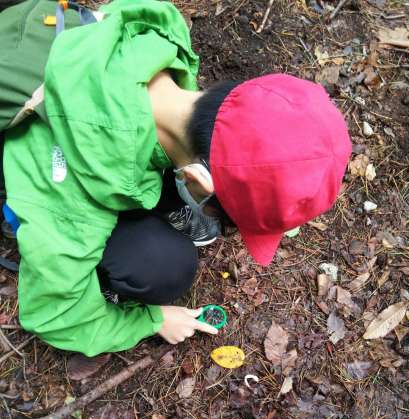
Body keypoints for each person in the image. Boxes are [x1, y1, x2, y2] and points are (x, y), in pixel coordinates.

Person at [1, 0, 352, 357]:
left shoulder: (162, 36)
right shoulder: (72, 202)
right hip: (53, 150)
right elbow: (54, 316)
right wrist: (150, 321)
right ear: (198, 179)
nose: (214, 220)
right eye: (214, 211)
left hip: (38, 37)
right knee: (164, 267)